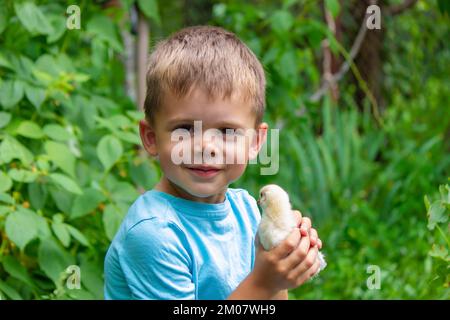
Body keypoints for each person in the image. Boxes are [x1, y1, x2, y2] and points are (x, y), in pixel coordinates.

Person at [104, 25, 323, 300]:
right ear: (151, 137)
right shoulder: (154, 233)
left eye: (227, 132)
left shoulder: (246, 212)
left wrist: (279, 265)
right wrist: (264, 283)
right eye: (185, 129)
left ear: (255, 142)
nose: (206, 147)